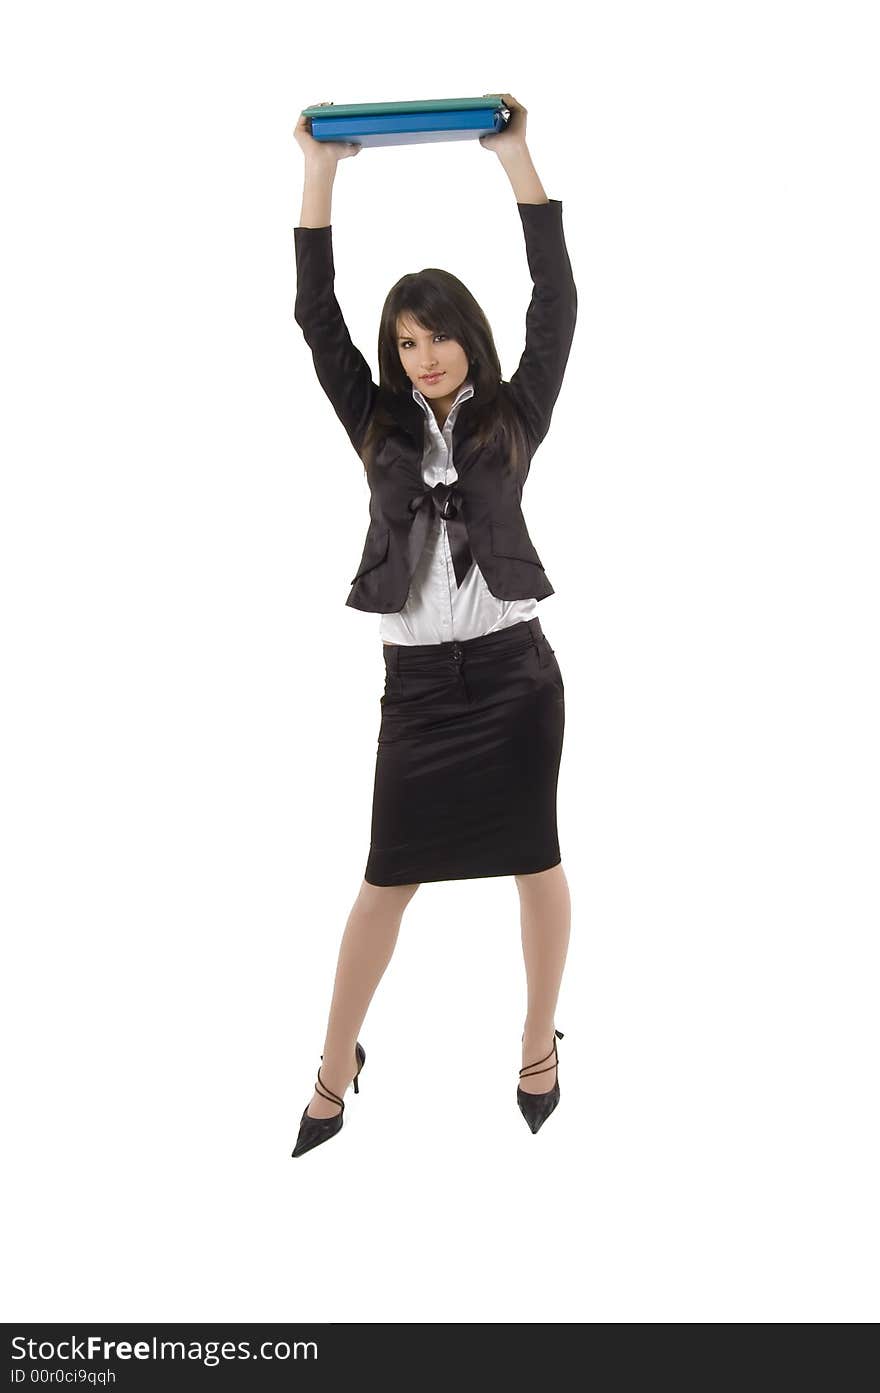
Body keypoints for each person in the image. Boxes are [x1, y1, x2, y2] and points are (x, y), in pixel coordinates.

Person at [290, 94, 577, 1155]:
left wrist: (515, 157)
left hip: (514, 677)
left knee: (536, 861)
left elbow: (554, 297)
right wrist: (323, 172)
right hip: (416, 690)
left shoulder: (514, 412)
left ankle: (539, 1044)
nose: (424, 356)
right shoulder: (372, 422)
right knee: (384, 881)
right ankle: (332, 1064)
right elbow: (314, 315)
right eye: (405, 342)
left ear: (468, 335)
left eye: (439, 334)